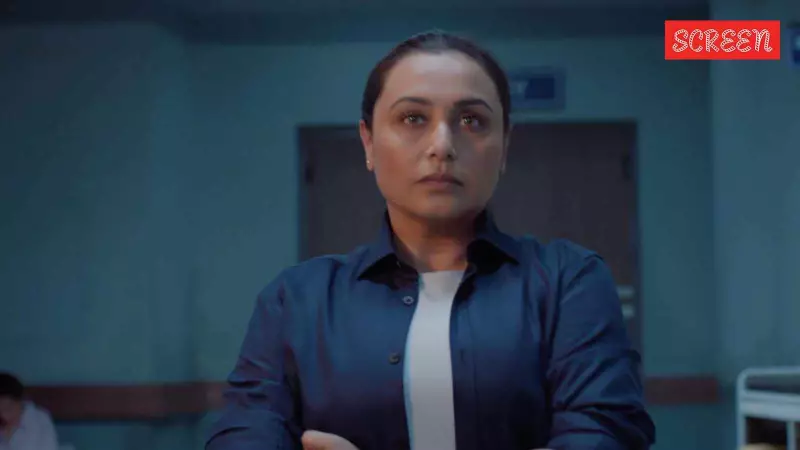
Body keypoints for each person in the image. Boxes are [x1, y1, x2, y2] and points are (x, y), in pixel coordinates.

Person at [206, 31, 656, 450]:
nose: (442, 145)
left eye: (472, 120)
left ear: (504, 146)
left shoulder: (567, 282)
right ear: (368, 142)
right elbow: (244, 435)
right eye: (413, 118)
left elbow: (606, 434)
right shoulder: (296, 301)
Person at [0, 373, 58, 450]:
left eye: (8, 408)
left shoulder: (40, 420)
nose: (4, 415)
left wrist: (11, 440)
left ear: (20, 401)